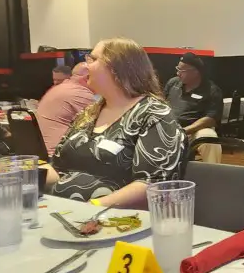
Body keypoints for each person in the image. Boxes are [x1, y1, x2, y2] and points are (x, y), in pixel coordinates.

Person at [43, 38, 186, 208]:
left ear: (118, 68)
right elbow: (58, 169)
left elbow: (152, 183)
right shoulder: (89, 113)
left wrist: (91, 207)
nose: (86, 65)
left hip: (114, 221)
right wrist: (22, 174)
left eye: (93, 59)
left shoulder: (153, 114)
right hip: (64, 212)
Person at [163, 52, 223, 163]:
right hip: (170, 127)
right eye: (177, 69)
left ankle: (213, 175)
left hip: (194, 131)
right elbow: (162, 103)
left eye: (182, 71)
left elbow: (211, 119)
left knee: (209, 138)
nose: (178, 73)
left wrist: (186, 130)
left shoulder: (212, 90)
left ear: (196, 72)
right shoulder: (173, 83)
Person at [37, 62, 96, 157]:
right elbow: (106, 123)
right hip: (57, 154)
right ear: (87, 78)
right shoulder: (81, 93)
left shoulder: (59, 88)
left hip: (42, 151)